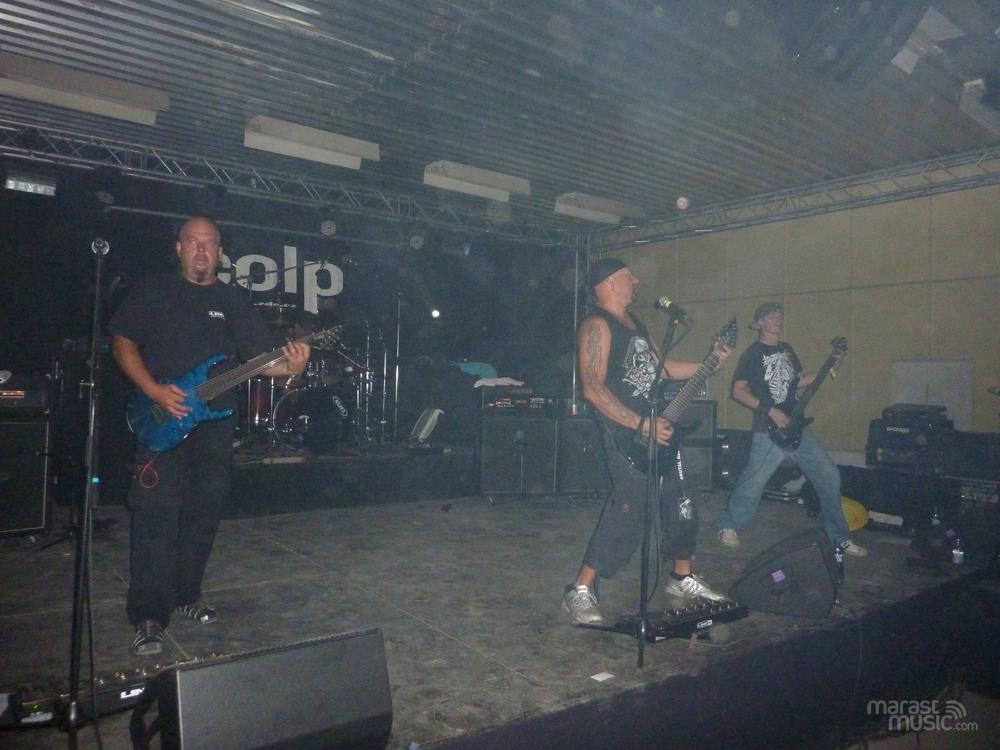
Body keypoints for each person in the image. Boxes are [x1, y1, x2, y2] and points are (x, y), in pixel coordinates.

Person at [109, 216, 310, 655]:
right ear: (179, 248)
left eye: (210, 243)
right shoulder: (155, 290)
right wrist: (153, 390)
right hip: (162, 419)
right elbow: (122, 343)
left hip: (215, 426)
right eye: (193, 242)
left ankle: (187, 594)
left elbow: (264, 362)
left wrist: (292, 367)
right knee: (156, 517)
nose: (202, 250)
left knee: (203, 516)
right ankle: (148, 614)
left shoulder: (232, 300)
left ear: (220, 252)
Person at [564, 258, 732, 625]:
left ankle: (681, 575)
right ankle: (580, 588)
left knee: (683, 499)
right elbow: (592, 387)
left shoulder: (637, 325)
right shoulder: (596, 325)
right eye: (628, 276)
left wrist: (710, 363)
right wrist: (640, 423)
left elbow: (664, 368)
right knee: (629, 509)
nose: (636, 280)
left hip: (660, 426)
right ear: (609, 283)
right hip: (626, 433)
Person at [714, 302, 867, 557]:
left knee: (829, 476)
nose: (778, 319)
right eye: (772, 316)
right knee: (753, 481)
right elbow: (738, 391)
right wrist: (771, 411)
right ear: (759, 322)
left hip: (797, 427)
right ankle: (728, 525)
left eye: (780, 315)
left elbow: (800, 381)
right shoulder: (752, 354)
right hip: (768, 430)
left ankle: (839, 538)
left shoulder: (787, 349)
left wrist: (831, 365)